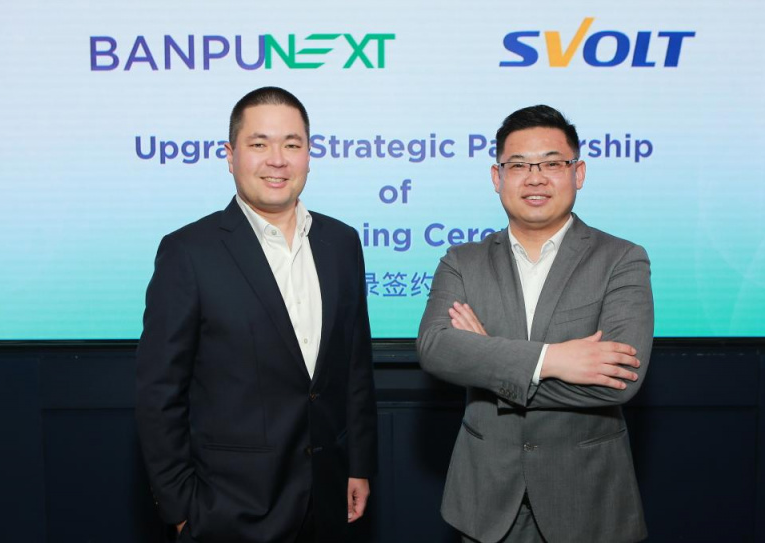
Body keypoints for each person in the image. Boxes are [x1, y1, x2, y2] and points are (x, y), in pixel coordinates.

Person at [136, 87, 377, 543]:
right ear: (230, 156)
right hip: (227, 510)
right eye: (259, 143)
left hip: (327, 500)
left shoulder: (342, 243)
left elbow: (354, 368)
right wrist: (181, 510)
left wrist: (359, 465)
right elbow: (159, 393)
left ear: (309, 155)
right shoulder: (188, 252)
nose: (277, 160)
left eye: (292, 144)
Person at [417, 105, 654, 543]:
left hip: (588, 499)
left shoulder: (621, 259)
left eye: (552, 164)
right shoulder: (462, 262)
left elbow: (618, 382)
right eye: (519, 165)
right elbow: (436, 348)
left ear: (578, 173)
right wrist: (553, 360)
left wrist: (487, 358)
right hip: (486, 499)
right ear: (497, 177)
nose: (535, 178)